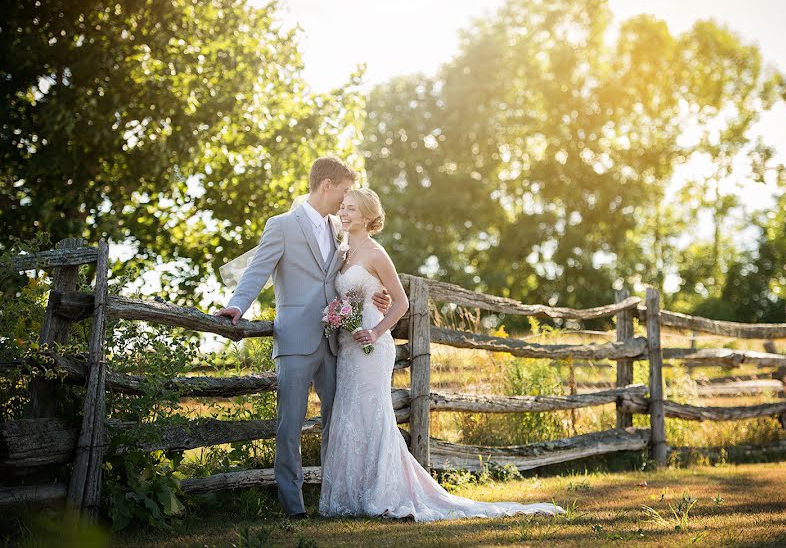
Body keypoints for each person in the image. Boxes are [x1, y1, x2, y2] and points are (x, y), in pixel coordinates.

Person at [318, 188, 564, 521]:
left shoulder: (376, 253)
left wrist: (376, 331)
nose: (343, 213)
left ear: (367, 216)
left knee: (372, 416)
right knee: (350, 416)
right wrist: (339, 316)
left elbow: (401, 302)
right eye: (342, 208)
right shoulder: (344, 250)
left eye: (350, 209)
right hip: (349, 347)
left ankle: (380, 493)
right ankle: (348, 497)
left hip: (372, 347)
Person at [214, 156, 390, 518]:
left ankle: (335, 498)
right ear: (327, 185)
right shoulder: (281, 225)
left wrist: (376, 295)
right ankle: (293, 507)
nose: (345, 201)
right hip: (294, 340)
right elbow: (257, 271)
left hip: (333, 340)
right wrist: (237, 306)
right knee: (289, 425)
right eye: (343, 191)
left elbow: (347, 278)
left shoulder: (336, 230)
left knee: (338, 423)